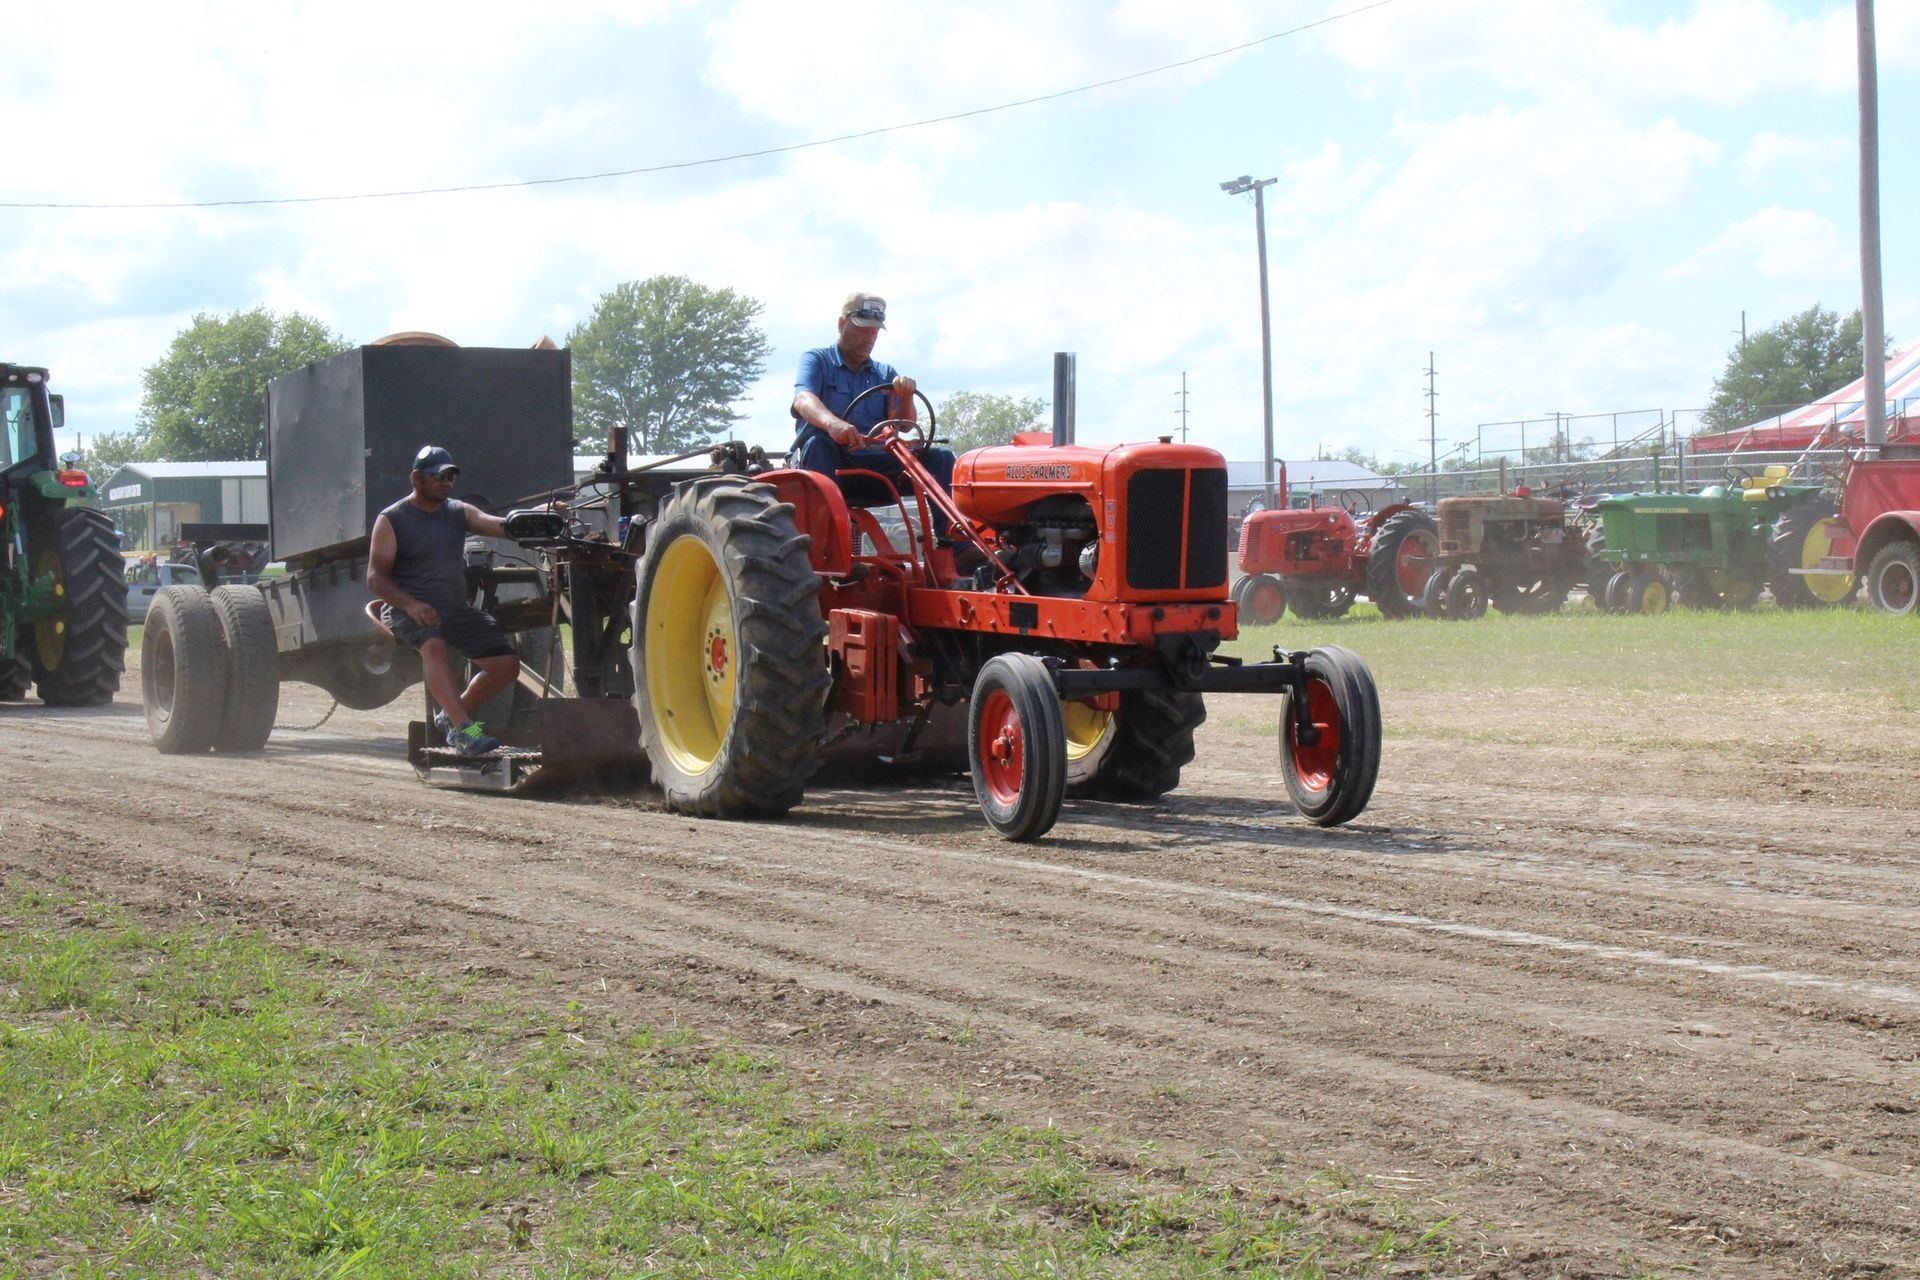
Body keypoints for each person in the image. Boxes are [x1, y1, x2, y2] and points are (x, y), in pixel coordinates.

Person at [367, 444, 522, 756]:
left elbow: (496, 524)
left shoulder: (457, 511)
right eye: (439, 476)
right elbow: (375, 577)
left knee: (506, 665)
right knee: (434, 645)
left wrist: (538, 521)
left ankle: (450, 718)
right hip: (407, 609)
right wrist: (411, 605)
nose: (447, 482)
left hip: (451, 607)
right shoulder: (392, 520)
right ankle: (465, 730)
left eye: (451, 476)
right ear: (416, 478)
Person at [789, 292, 956, 507]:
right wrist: (834, 424)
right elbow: (803, 399)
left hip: (873, 464)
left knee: (940, 458)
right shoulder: (817, 360)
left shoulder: (885, 373)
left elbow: (904, 427)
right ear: (841, 325)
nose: (868, 339)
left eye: (874, 332)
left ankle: (953, 538)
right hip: (827, 463)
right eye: (861, 331)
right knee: (819, 443)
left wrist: (906, 398)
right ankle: (823, 534)